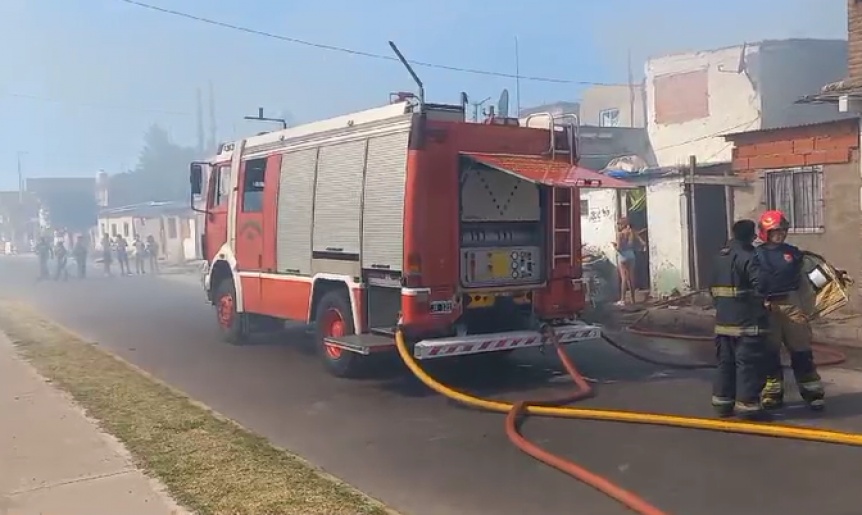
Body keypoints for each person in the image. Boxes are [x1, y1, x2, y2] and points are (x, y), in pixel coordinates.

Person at [755, 210, 825, 411]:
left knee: (801, 348)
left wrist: (828, 279)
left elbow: (808, 279)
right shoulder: (755, 255)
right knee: (769, 351)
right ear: (765, 232)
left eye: (782, 231)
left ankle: (812, 391)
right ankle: (772, 393)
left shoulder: (793, 253)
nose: (780, 234)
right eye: (775, 231)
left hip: (792, 303)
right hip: (766, 306)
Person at [710, 219, 771, 420]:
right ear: (750, 236)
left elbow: (712, 288)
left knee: (725, 363)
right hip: (746, 322)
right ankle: (748, 407)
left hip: (723, 322)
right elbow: (761, 284)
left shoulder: (719, 256)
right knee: (748, 364)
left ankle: (722, 404)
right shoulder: (748, 256)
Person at [612, 217, 645, 306]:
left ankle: (622, 300)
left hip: (623, 257)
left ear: (622, 225)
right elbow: (643, 243)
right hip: (631, 255)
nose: (617, 226)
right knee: (631, 278)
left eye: (619, 224)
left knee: (624, 279)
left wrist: (614, 246)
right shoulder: (632, 232)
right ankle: (633, 299)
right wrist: (638, 249)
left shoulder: (620, 234)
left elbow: (619, 248)